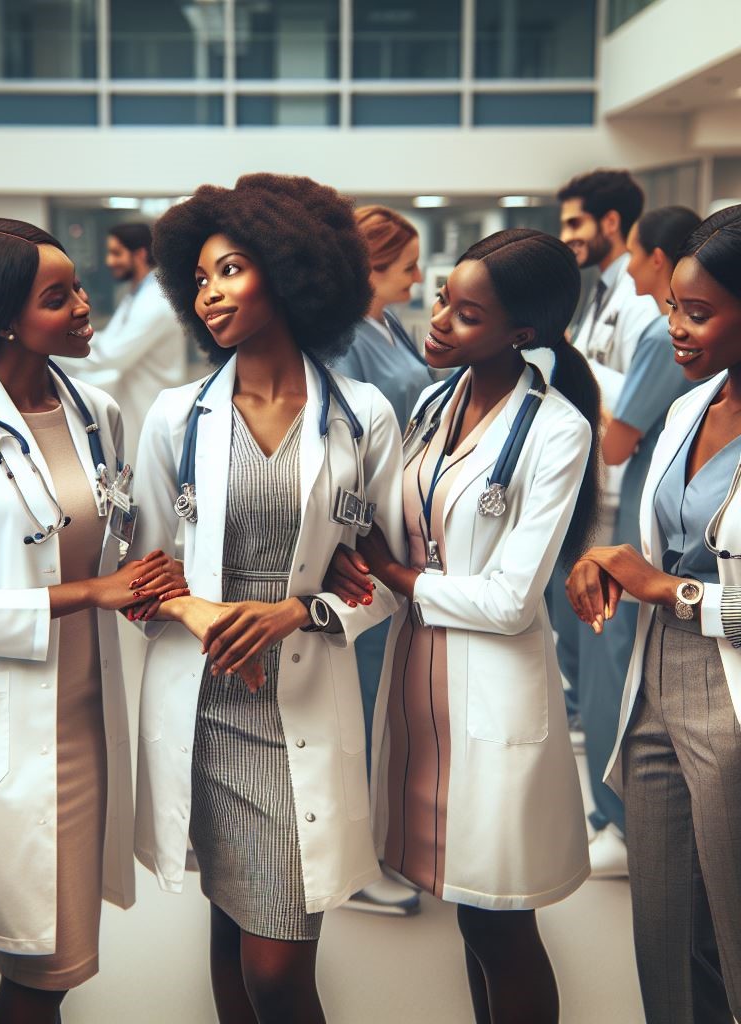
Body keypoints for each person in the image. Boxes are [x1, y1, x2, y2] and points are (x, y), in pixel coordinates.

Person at [127, 174, 406, 1024]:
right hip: (204, 708)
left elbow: (387, 581)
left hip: (297, 714)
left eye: (232, 270)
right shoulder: (177, 419)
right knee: (231, 925)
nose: (209, 294)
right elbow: (143, 576)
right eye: (200, 278)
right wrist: (190, 607)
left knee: (279, 970)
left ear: (291, 270)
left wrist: (305, 608)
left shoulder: (362, 418)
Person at [0, 218, 185, 1024]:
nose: (85, 308)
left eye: (79, 289)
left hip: (88, 716)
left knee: (52, 963)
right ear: (1, 324)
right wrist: (88, 596)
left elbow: (117, 537)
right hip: (8, 731)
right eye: (57, 298)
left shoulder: (95, 412)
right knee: (42, 970)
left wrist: (148, 575)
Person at [327, 229, 599, 1024]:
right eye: (443, 297)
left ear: (522, 334)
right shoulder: (433, 404)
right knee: (465, 911)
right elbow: (391, 540)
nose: (437, 319)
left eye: (466, 314)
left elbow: (514, 600)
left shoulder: (557, 431)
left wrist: (401, 576)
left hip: (492, 700)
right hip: (420, 689)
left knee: (498, 917)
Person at [566, 204, 741, 1024]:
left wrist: (672, 590)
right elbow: (662, 543)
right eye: (672, 305)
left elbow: (674, 577)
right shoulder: (689, 408)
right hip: (657, 691)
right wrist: (614, 564)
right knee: (665, 941)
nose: (674, 328)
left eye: (697, 313)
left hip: (730, 694)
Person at [582, 205, 700, 879]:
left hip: (642, 536)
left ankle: (620, 822)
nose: (626, 264)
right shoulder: (677, 357)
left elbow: (619, 440)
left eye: (632, 251)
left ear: (656, 256)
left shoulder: (661, 338)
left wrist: (588, 396)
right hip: (642, 525)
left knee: (617, 669)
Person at [332, 205, 434, 916]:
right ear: (370, 269)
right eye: (407, 266)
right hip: (366, 540)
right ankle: (355, 858)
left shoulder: (390, 326)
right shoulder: (345, 342)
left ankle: (381, 837)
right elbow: (342, 451)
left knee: (386, 697)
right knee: (361, 700)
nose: (419, 277)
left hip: (402, 528)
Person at [552, 169, 658, 777]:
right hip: (592, 492)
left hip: (616, 500)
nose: (567, 236)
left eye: (575, 223)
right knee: (585, 660)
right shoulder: (599, 294)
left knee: (606, 662)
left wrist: (581, 368)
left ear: (610, 223)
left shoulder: (639, 306)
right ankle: (609, 812)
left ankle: (618, 813)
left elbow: (627, 415)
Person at [57, 222, 187, 461]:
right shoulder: (136, 294)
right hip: (134, 402)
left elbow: (110, 357)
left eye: (116, 253)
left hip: (148, 406)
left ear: (140, 254)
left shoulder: (156, 301)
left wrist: (51, 347)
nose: (109, 261)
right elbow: (110, 341)